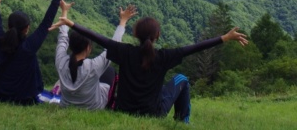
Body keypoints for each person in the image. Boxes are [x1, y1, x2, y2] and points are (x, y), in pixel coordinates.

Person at [52, 15, 248, 123]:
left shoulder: (125, 52)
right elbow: (194, 48)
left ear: (136, 34)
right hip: (152, 113)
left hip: (124, 109)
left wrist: (71, 23)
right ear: (157, 36)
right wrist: (224, 38)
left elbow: (97, 37)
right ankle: (182, 122)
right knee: (181, 79)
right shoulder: (163, 57)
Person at [0, 0, 74, 105]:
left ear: (8, 26)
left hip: (0, 93)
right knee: (59, 100)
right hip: (24, 97)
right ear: (27, 29)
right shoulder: (28, 47)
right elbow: (46, 23)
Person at [54, 2, 138, 110]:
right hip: (94, 107)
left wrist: (64, 11)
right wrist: (123, 21)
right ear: (88, 47)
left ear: (71, 45)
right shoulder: (93, 66)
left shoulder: (61, 61)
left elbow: (62, 38)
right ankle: (111, 104)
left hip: (65, 105)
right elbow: (114, 46)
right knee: (110, 71)